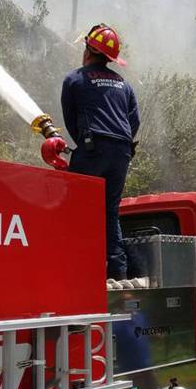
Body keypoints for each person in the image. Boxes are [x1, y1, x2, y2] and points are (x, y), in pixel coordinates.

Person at [61, 24, 139, 280]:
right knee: (109, 211)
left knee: (75, 209)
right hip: (122, 152)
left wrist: (86, 147)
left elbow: (71, 122)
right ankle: (118, 274)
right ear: (109, 58)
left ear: (88, 50)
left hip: (92, 148)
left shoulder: (75, 79)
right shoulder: (124, 86)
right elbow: (133, 123)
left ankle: (74, 270)